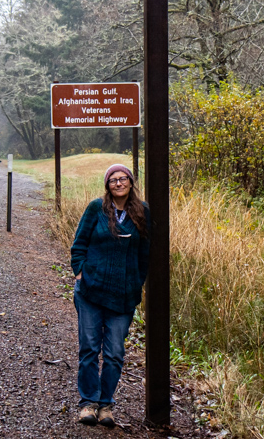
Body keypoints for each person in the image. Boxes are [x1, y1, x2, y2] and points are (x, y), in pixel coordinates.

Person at [70, 163, 151, 427]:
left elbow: (145, 253)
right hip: (91, 292)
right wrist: (80, 273)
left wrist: (136, 282)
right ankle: (88, 404)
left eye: (123, 179)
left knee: (115, 353)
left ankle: (106, 406)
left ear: (130, 182)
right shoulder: (97, 208)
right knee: (90, 349)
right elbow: (79, 244)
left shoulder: (142, 211)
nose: (118, 183)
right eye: (113, 180)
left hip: (123, 297)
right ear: (108, 185)